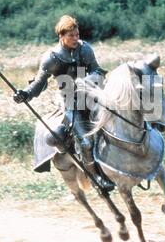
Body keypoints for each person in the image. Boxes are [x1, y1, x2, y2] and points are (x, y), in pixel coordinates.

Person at [13, 15, 115, 192]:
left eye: (77, 34)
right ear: (61, 36)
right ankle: (96, 178)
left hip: (91, 97)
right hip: (69, 102)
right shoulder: (51, 58)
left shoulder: (85, 50)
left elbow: (97, 71)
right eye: (72, 36)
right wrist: (25, 94)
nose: (76, 38)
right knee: (85, 141)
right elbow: (39, 83)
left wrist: (85, 82)